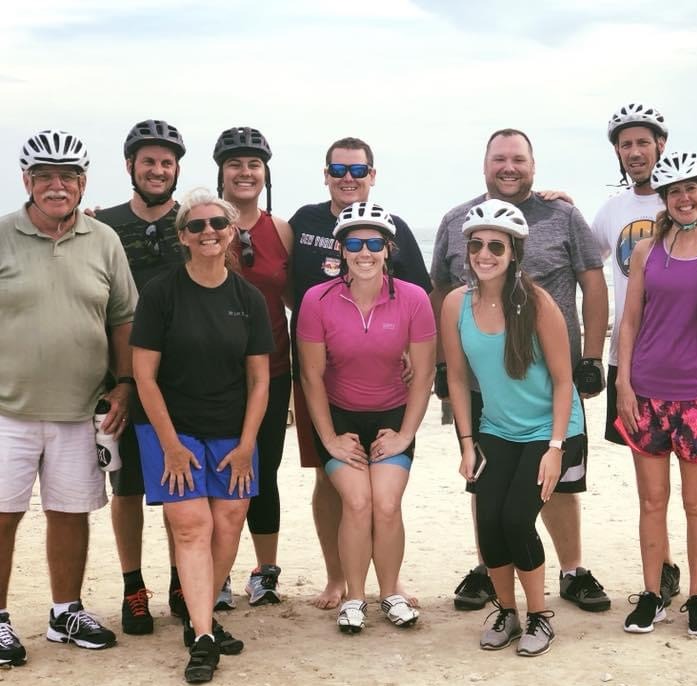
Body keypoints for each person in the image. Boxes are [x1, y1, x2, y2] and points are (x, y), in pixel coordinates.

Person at [431, 128, 610, 614]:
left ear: (533, 165)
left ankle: (572, 570)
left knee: (558, 482)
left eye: (518, 159)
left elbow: (594, 283)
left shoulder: (563, 215)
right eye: (499, 159)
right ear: (484, 164)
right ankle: (490, 568)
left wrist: (593, 356)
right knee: (485, 482)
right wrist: (444, 365)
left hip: (548, 379)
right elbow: (440, 290)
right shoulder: (456, 220)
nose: (508, 168)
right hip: (484, 381)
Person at [593, 102, 697, 616]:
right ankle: (654, 593)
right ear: (663, 197)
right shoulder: (645, 250)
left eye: (691, 189)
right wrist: (623, 384)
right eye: (674, 191)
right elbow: (629, 320)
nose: (684, 198)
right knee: (651, 502)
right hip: (645, 389)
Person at [0, 130, 134, 667]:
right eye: (45, 177)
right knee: (3, 516)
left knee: (70, 512)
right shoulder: (2, 235)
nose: (57, 186)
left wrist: (124, 383)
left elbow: (123, 317)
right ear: (26, 181)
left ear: (83, 183)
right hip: (7, 408)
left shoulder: (104, 239)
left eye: (68, 177)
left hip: (82, 409)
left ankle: (65, 612)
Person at [131, 188, 273, 683]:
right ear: (183, 237)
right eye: (196, 226)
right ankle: (205, 639)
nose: (207, 232)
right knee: (192, 526)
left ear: (231, 232)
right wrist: (171, 446)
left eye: (217, 224)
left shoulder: (248, 298)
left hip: (233, 431)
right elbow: (144, 375)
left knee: (229, 522)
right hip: (171, 429)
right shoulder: (161, 293)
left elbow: (260, 380)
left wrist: (247, 445)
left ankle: (199, 619)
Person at [289, 137, 431, 610]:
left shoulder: (407, 280)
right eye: (354, 243)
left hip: (390, 402)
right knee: (345, 496)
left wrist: (406, 431)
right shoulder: (304, 229)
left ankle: (389, 588)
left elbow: (423, 360)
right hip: (335, 402)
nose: (364, 251)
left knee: (384, 502)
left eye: (373, 244)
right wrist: (329, 438)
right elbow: (309, 372)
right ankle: (344, 586)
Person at [442, 198, 586, 656]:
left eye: (496, 247)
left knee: (516, 519)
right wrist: (467, 443)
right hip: (496, 429)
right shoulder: (455, 305)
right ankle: (507, 611)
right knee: (488, 522)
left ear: (514, 253)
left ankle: (539, 616)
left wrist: (556, 447)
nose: (484, 254)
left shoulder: (538, 303)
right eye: (476, 245)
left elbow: (563, 380)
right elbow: (457, 379)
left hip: (551, 428)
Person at [96, 119, 188, 634]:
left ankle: (181, 582)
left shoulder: (193, 223)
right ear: (130, 165)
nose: (157, 170)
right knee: (127, 488)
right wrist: (123, 380)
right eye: (148, 161)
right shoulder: (102, 226)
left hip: (183, 382)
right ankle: (134, 587)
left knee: (180, 487)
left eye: (166, 162)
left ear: (177, 169)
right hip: (121, 381)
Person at [214, 126, 293, 608]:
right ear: (221, 172)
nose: (245, 172)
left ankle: (265, 573)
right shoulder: (204, 222)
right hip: (214, 375)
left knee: (265, 471)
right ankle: (216, 574)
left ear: (265, 173)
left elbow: (297, 300)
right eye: (235, 164)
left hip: (275, 369)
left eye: (254, 164)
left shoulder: (280, 230)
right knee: (216, 474)